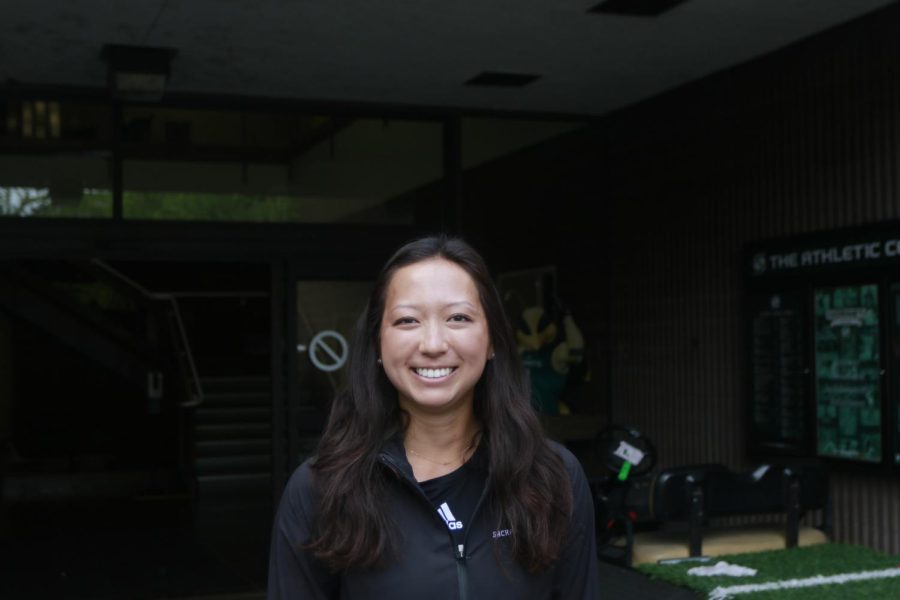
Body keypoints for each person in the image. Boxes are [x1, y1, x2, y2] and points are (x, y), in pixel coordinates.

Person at [268, 235, 599, 599]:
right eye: (408, 320)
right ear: (378, 344)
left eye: (458, 317)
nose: (433, 344)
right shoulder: (321, 490)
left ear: (491, 340)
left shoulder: (552, 477)